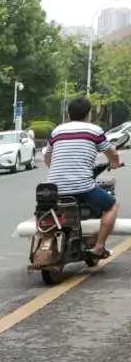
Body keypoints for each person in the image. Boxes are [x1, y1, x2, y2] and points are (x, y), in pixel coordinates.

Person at [44, 96, 123, 258]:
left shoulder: (57, 131)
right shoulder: (94, 130)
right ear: (88, 114)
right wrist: (115, 163)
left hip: (53, 187)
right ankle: (99, 247)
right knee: (112, 206)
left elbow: (47, 157)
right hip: (82, 187)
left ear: (68, 114)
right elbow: (112, 153)